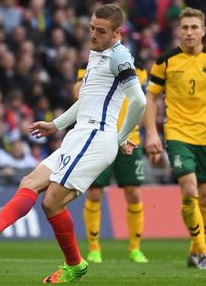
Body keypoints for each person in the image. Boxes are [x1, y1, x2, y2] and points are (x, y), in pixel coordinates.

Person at [0, 4, 146, 283]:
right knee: (30, 182)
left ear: (117, 33)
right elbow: (87, 101)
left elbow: (139, 101)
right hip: (79, 134)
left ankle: (74, 265)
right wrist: (56, 124)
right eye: (91, 27)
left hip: (96, 137)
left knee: (52, 201)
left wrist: (121, 137)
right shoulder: (97, 53)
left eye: (100, 31)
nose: (92, 34)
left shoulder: (119, 56)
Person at [143, 7, 206, 270]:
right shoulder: (166, 61)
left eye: (194, 27)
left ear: (203, 31)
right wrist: (151, 132)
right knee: (190, 190)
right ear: (178, 31)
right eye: (185, 27)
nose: (189, 32)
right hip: (177, 134)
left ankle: (195, 248)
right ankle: (203, 251)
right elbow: (150, 97)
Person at [74, 60, 149, 264]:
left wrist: (151, 133)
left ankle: (135, 248)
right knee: (95, 192)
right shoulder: (92, 63)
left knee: (133, 193)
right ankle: (94, 248)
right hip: (101, 136)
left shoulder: (137, 67)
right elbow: (76, 93)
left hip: (130, 138)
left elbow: (145, 101)